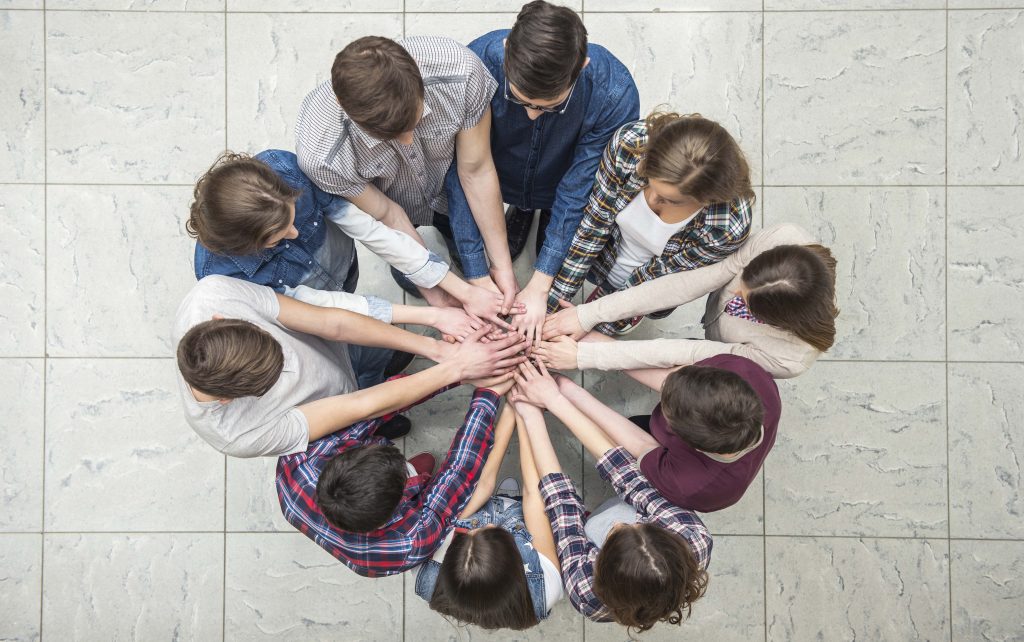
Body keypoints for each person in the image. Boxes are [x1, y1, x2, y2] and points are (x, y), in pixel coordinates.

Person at [446, 0, 640, 344]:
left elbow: (579, 187)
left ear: (581, 66)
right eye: (521, 102)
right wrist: (478, 270)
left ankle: (537, 216)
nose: (533, 115)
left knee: (559, 220)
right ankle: (520, 210)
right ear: (507, 50)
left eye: (550, 107)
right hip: (498, 174)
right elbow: (464, 170)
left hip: (559, 181)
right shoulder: (474, 67)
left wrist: (541, 280)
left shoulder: (614, 93)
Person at [295, 35, 520, 323]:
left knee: (456, 232)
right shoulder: (323, 154)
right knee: (411, 266)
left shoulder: (460, 72)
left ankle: (452, 248)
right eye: (390, 134)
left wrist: (501, 266)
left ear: (416, 73)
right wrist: (434, 289)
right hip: (393, 201)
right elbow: (389, 215)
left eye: (415, 121)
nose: (408, 139)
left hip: (451, 186)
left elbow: (475, 170)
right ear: (343, 105)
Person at [173, 274, 527, 458]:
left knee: (386, 359)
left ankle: (393, 360)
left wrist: (433, 346)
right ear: (226, 400)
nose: (289, 366)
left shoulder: (214, 294)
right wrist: (456, 368)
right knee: (375, 416)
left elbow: (331, 324)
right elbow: (361, 405)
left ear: (221, 319)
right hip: (340, 404)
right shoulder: (236, 435)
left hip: (342, 346)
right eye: (273, 380)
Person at [188, 150, 518, 335]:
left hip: (340, 263)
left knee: (351, 288)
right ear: (247, 246)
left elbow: (369, 229)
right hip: (310, 307)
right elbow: (320, 307)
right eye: (279, 237)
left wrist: (462, 291)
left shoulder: (283, 171)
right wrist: (433, 317)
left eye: (293, 219)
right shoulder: (226, 279)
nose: (295, 234)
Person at [510, 360, 711, 631]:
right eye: (636, 525)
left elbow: (563, 505)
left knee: (587, 523)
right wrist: (555, 399)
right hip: (647, 515)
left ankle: (594, 525)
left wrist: (530, 416)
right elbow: (625, 474)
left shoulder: (584, 590)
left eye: (615, 535)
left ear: (599, 568)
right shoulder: (691, 537)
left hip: (588, 540)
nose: (617, 524)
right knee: (631, 489)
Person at [276, 375, 517, 578]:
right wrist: (488, 394)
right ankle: (420, 476)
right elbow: (459, 471)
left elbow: (373, 405)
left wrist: (457, 371)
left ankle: (418, 474)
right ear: (398, 503)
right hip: (398, 526)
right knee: (440, 485)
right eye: (405, 474)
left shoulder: (301, 457)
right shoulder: (411, 542)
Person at [546, 110, 755, 335]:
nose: (652, 199)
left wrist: (597, 324)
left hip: (650, 284)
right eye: (649, 181)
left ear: (706, 200)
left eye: (669, 200)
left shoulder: (726, 226)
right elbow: (594, 224)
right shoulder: (630, 145)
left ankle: (610, 299)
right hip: (605, 255)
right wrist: (553, 304)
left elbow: (661, 277)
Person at [539, 224, 839, 379]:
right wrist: (590, 314)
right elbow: (701, 279)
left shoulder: (788, 359)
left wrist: (585, 358)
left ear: (776, 320)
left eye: (746, 304)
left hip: (720, 348)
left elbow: (693, 351)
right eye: (742, 283)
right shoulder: (784, 238)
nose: (733, 292)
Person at [550, 347, 779, 512]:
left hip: (670, 477)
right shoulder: (747, 373)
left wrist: (566, 391)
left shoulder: (692, 485)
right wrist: (592, 349)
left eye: (667, 410)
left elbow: (642, 444)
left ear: (685, 441)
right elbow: (666, 380)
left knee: (622, 442)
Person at [414, 408, 563, 629]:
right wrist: (527, 414)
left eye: (469, 534)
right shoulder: (543, 591)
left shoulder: (426, 572)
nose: (489, 524)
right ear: (515, 568)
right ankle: (510, 503)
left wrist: (512, 409)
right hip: (525, 520)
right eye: (494, 531)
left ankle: (504, 502)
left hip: (476, 504)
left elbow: (482, 485)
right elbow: (534, 492)